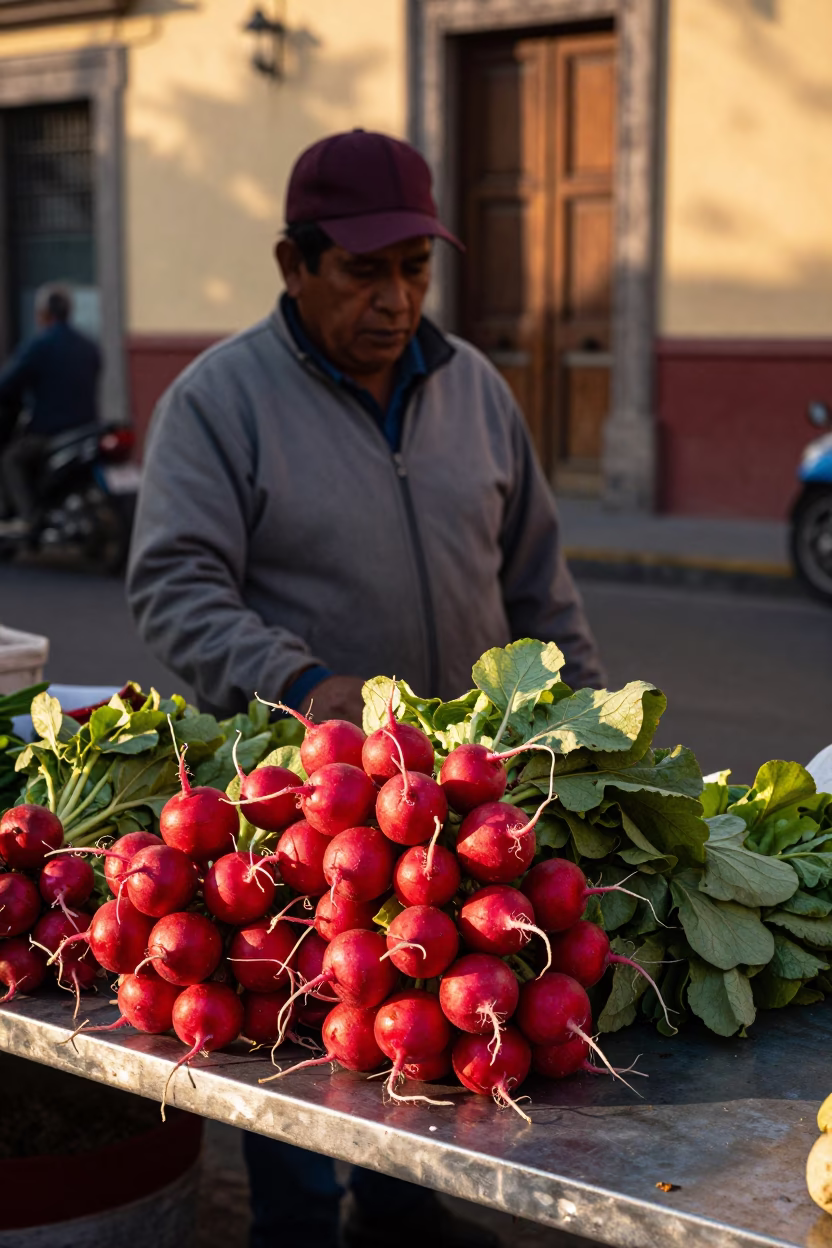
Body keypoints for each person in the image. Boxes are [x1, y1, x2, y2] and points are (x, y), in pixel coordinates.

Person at [127, 129, 605, 1248]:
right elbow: (173, 586)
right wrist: (301, 683)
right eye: (363, 272)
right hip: (310, 826)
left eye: (414, 272)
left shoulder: (477, 391)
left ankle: (401, 1213)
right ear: (294, 264)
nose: (394, 301)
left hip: (466, 818)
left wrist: (578, 727)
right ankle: (295, 1228)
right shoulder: (219, 401)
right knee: (307, 1049)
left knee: (431, 1037)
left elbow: (540, 586)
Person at [0, 284, 101, 535]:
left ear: (43, 314)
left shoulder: (39, 345)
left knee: (10, 460)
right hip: (87, 427)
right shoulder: (89, 346)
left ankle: (27, 517)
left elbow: (8, 382)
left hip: (49, 433)